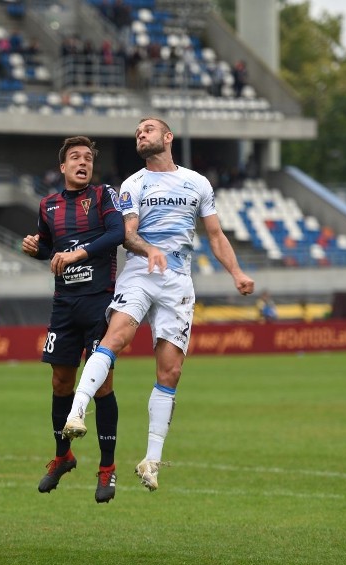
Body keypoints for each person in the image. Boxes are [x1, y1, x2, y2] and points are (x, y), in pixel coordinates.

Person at [61, 117, 255, 492]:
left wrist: (237, 273)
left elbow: (214, 235)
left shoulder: (198, 183)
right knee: (116, 337)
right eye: (137, 132)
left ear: (167, 137)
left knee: (171, 372)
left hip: (179, 280)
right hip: (140, 272)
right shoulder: (133, 184)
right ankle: (77, 410)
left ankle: (151, 461)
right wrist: (150, 250)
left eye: (147, 130)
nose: (141, 135)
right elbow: (128, 235)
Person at [21, 136, 124, 503]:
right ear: (62, 167)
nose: (83, 162)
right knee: (61, 381)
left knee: (102, 385)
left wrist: (80, 252)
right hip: (64, 306)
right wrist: (37, 250)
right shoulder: (48, 206)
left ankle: (108, 468)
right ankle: (63, 455)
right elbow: (53, 253)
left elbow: (118, 233)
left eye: (88, 158)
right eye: (75, 158)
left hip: (99, 303)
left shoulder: (102, 197)